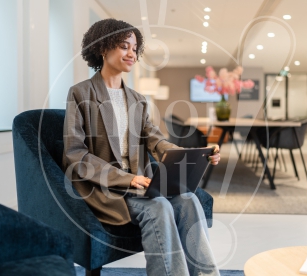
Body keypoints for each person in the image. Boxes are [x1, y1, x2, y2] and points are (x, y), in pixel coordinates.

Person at [62, 18, 221, 276]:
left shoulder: (138, 99)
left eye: (135, 48)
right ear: (103, 47)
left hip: (142, 184)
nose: (131, 53)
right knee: (159, 207)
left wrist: (196, 156)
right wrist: (127, 178)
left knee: (189, 199)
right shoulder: (80, 93)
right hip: (108, 188)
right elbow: (75, 154)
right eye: (124, 46)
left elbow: (156, 140)